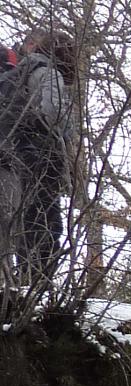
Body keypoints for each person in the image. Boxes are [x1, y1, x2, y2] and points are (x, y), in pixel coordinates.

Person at [0, 29, 77, 284]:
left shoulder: (17, 74)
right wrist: (63, 135)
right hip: (41, 154)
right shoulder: (48, 72)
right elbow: (54, 112)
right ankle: (37, 284)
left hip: (14, 154)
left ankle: (16, 283)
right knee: (44, 223)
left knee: (20, 220)